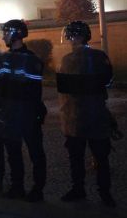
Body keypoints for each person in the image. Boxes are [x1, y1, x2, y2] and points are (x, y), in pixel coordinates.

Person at [0, 20, 46, 201]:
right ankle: (17, 186)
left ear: (14, 35)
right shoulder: (3, 58)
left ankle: (38, 189)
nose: (3, 37)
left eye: (5, 33)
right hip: (9, 112)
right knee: (13, 152)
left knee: (35, 152)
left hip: (27, 112)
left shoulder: (31, 60)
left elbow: (34, 90)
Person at [57, 21, 116, 207]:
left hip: (74, 116)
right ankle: (105, 194)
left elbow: (63, 89)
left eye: (70, 36)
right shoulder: (100, 56)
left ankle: (78, 189)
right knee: (101, 158)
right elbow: (108, 82)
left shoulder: (67, 59)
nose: (69, 40)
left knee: (76, 158)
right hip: (96, 114)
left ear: (76, 37)